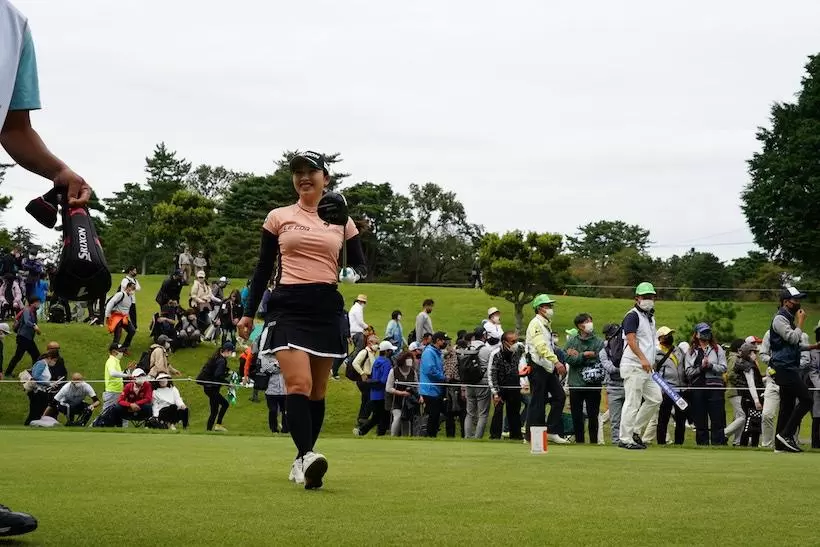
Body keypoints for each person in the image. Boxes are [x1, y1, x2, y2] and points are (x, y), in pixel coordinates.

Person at [237, 151, 367, 490]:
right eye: (297, 171)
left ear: (326, 177)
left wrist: (351, 272)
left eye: (311, 170)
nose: (303, 176)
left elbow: (361, 266)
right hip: (287, 306)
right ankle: (309, 454)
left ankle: (301, 461)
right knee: (299, 385)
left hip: (326, 307)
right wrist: (248, 313)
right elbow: (263, 268)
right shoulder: (278, 217)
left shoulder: (342, 219)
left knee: (318, 392)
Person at [768, 287, 820, 452]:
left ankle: (779, 444)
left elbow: (794, 346)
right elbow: (793, 337)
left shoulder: (787, 319)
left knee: (787, 406)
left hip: (787, 366)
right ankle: (786, 435)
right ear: (785, 302)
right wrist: (801, 321)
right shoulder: (780, 320)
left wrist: (813, 346)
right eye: (795, 300)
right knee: (807, 400)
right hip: (784, 368)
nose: (798, 303)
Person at [618, 282, 662, 450]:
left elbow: (649, 342)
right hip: (634, 365)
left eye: (651, 297)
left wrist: (650, 360)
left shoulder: (650, 318)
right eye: (645, 297)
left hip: (646, 367)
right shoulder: (632, 315)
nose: (649, 300)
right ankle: (625, 438)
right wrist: (644, 359)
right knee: (632, 402)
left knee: (655, 398)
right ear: (637, 298)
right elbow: (631, 340)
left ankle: (635, 430)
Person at [524, 294, 568, 444]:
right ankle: (531, 436)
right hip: (538, 366)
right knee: (538, 401)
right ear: (539, 308)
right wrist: (556, 362)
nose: (550, 308)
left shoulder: (545, 324)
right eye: (547, 306)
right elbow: (541, 347)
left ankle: (550, 431)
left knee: (559, 396)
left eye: (550, 306)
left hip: (547, 367)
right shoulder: (535, 323)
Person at [683, 323, 727, 446]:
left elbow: (723, 368)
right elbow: (688, 371)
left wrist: (711, 366)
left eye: (707, 332)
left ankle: (718, 444)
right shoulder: (691, 351)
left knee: (717, 418)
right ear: (696, 334)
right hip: (698, 388)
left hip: (715, 387)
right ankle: (702, 444)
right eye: (702, 332)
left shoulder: (717, 349)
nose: (705, 334)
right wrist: (701, 368)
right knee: (700, 419)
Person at [565, 313, 604, 444]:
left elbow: (599, 358)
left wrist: (579, 355)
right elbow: (569, 359)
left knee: (593, 414)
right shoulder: (572, 340)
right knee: (577, 415)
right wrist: (584, 355)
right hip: (575, 383)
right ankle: (579, 441)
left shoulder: (598, 342)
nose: (589, 323)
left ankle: (594, 441)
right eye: (586, 321)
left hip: (593, 383)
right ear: (579, 326)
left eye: (590, 320)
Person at [354, 341, 396, 437]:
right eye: (390, 350)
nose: (391, 352)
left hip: (374, 393)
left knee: (379, 415)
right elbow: (384, 380)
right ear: (386, 352)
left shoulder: (377, 361)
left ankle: (375, 433)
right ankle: (364, 431)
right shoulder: (387, 363)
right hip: (382, 393)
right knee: (380, 416)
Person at [655, 327, 687, 445]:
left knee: (681, 418)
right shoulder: (656, 353)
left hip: (680, 389)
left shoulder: (678, 351)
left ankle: (679, 443)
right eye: (666, 335)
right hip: (666, 390)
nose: (669, 337)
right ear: (660, 338)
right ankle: (661, 442)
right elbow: (653, 373)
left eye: (670, 334)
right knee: (663, 418)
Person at [464, 327, 493, 439]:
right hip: (482, 382)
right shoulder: (486, 350)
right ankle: (477, 437)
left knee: (470, 412)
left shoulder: (467, 347)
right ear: (484, 335)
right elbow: (491, 366)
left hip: (469, 382)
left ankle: (468, 436)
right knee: (483, 413)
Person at [419, 332, 450, 437]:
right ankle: (429, 435)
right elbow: (430, 370)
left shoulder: (436, 352)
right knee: (433, 414)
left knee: (436, 415)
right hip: (430, 388)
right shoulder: (429, 352)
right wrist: (443, 378)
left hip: (435, 388)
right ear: (438, 341)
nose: (445, 342)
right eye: (444, 340)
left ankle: (431, 434)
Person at [734, 343, 765, 447]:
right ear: (748, 353)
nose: (755, 355)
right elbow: (751, 384)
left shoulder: (745, 364)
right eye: (753, 352)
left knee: (754, 422)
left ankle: (752, 445)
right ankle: (745, 445)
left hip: (748, 398)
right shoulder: (748, 366)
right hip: (751, 399)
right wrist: (756, 401)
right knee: (751, 423)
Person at [198, 342, 233, 432]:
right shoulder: (222, 360)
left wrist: (227, 371)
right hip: (211, 388)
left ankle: (209, 430)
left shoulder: (217, 357)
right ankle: (218, 425)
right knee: (225, 404)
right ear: (227, 351)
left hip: (209, 388)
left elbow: (216, 371)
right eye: (231, 352)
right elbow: (218, 375)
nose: (231, 354)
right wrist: (228, 383)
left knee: (214, 410)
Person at [4, 294, 41, 377]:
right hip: (23, 337)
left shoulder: (33, 311)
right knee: (19, 356)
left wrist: (36, 329)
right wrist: (34, 326)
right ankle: (7, 373)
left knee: (35, 355)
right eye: (38, 302)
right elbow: (27, 321)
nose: (39, 304)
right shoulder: (27, 310)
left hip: (28, 338)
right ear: (32, 303)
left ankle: (34, 373)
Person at [599, 324, 624, 445]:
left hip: (627, 386)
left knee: (629, 418)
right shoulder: (603, 352)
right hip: (613, 388)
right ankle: (616, 442)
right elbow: (610, 368)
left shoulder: (625, 349)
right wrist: (626, 369)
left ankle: (627, 439)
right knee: (615, 419)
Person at [385, 350, 418, 437]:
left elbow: (416, 385)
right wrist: (400, 393)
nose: (410, 360)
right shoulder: (393, 371)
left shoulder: (413, 372)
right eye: (408, 358)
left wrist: (419, 396)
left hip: (408, 401)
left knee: (406, 419)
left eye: (411, 358)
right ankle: (393, 436)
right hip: (395, 400)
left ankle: (405, 437)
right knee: (398, 417)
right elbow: (388, 388)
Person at [351, 335, 379, 424]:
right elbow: (355, 363)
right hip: (365, 379)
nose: (378, 345)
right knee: (370, 399)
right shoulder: (365, 352)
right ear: (370, 343)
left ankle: (361, 418)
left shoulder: (372, 353)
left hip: (368, 378)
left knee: (365, 399)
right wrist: (362, 373)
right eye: (376, 343)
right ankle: (363, 418)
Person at [24, 348, 57, 425]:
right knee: (35, 412)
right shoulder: (41, 363)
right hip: (37, 392)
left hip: (42, 391)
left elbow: (41, 377)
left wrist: (50, 383)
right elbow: (36, 376)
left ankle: (33, 427)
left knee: (39, 413)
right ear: (49, 358)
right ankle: (28, 426)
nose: (54, 363)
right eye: (54, 360)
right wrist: (49, 383)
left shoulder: (44, 364)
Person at [105, 282, 137, 351]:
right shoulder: (120, 294)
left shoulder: (130, 298)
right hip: (116, 317)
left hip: (124, 318)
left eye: (134, 289)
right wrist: (107, 315)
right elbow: (111, 303)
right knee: (118, 334)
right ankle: (113, 349)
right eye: (132, 288)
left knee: (132, 330)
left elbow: (127, 309)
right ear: (127, 287)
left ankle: (124, 347)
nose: (133, 290)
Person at [262, 354, 288, 434]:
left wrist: (275, 365)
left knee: (286, 411)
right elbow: (266, 368)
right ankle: (274, 429)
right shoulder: (266, 356)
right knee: (273, 410)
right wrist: (279, 365)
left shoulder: (285, 354)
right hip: (271, 389)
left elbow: (288, 366)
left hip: (285, 390)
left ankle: (285, 429)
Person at [102, 343, 132, 411]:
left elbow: (117, 374)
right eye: (120, 351)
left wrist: (126, 370)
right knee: (106, 414)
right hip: (112, 392)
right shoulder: (111, 361)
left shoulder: (116, 361)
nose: (121, 353)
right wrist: (127, 375)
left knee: (116, 413)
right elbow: (112, 373)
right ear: (113, 351)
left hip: (117, 391)